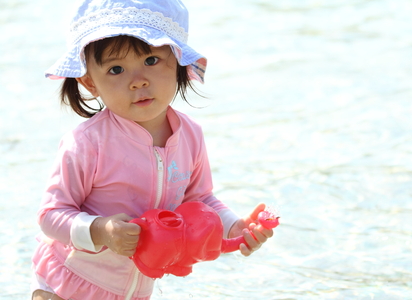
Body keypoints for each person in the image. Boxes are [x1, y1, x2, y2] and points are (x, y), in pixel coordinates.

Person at [31, 0, 274, 299]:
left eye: (151, 61)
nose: (138, 81)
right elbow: (50, 215)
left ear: (179, 61)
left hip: (136, 290)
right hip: (67, 281)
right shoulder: (86, 143)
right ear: (89, 82)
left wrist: (233, 228)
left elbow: (199, 199)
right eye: (116, 69)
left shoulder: (190, 136)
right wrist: (101, 230)